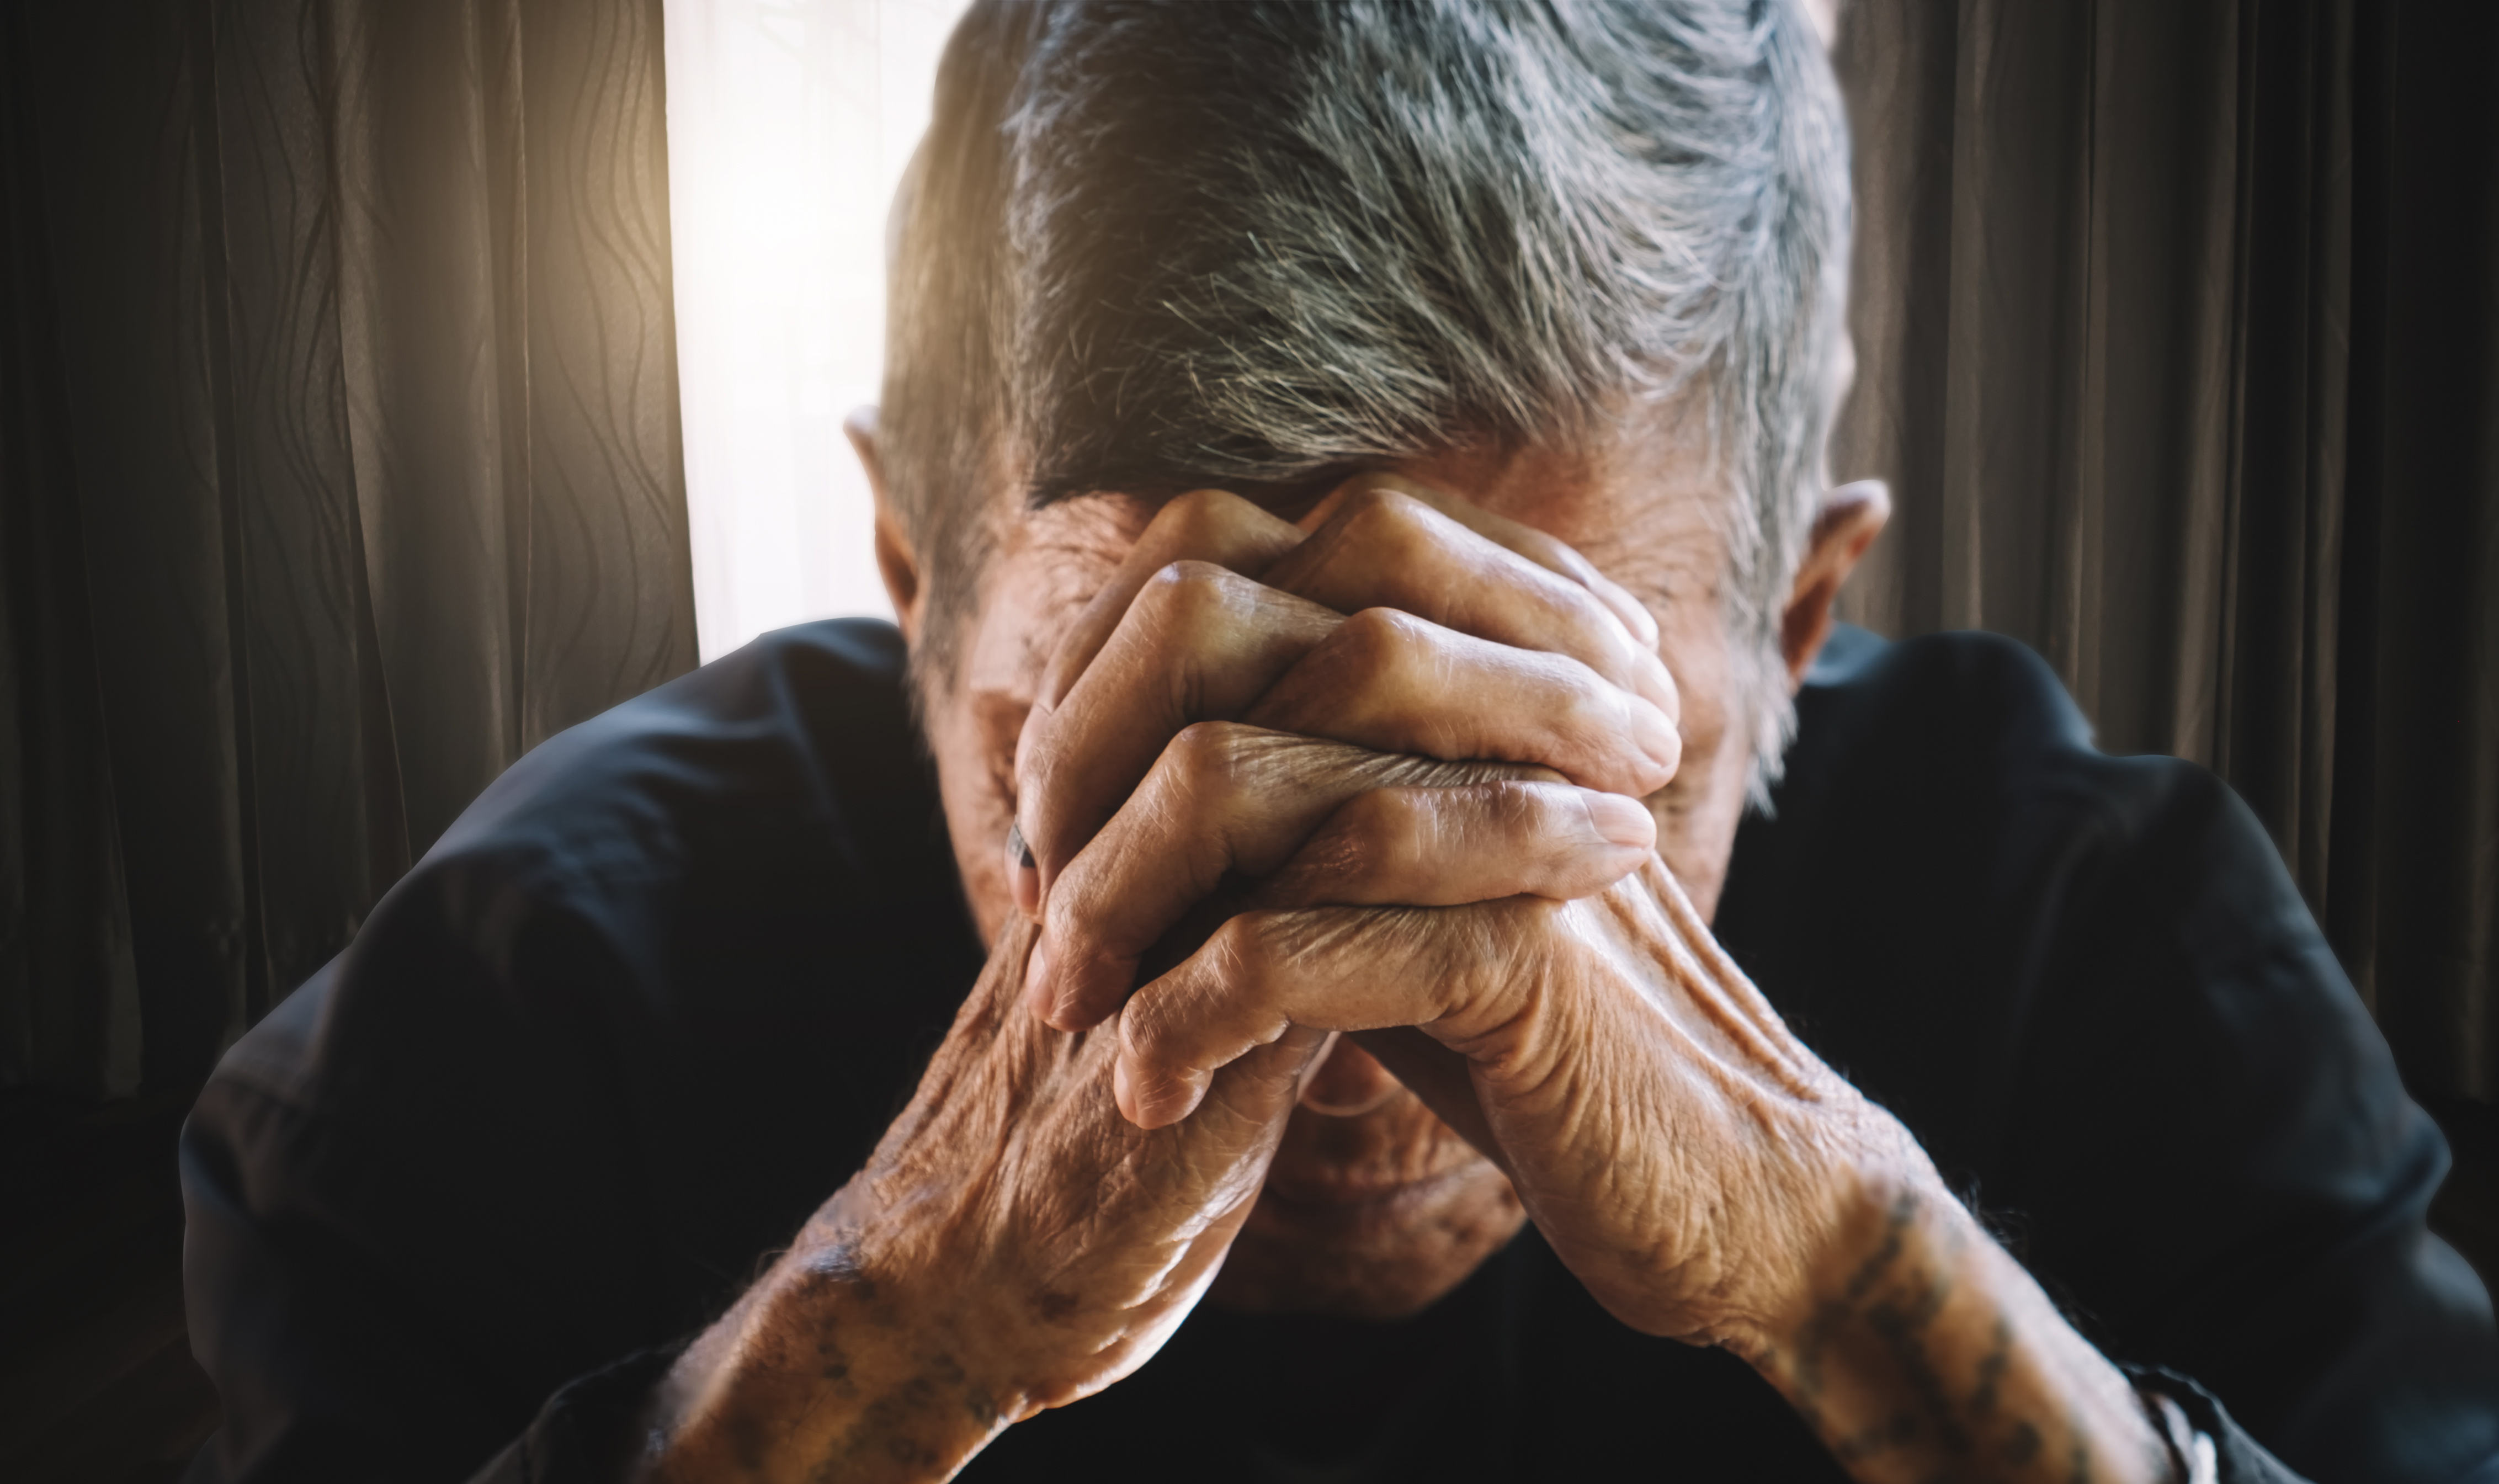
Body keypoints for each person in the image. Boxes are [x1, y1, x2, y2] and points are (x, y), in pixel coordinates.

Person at [176, 2, 2499, 1481]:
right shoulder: (513, 1018)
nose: (1349, 1024)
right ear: (911, 573)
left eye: (1545, 774)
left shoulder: (2113, 948)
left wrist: (1850, 1259)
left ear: (1798, 618)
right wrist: (884, 1335)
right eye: (1120, 756)